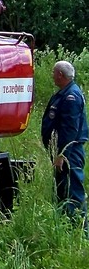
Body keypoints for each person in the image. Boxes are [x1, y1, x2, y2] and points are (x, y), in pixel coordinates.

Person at [41, 60, 89, 222]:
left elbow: (70, 129)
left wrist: (62, 154)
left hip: (70, 152)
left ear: (60, 75)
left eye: (54, 72)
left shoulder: (71, 97)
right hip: (63, 151)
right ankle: (66, 224)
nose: (52, 76)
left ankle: (81, 230)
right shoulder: (64, 92)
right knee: (62, 190)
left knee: (73, 190)